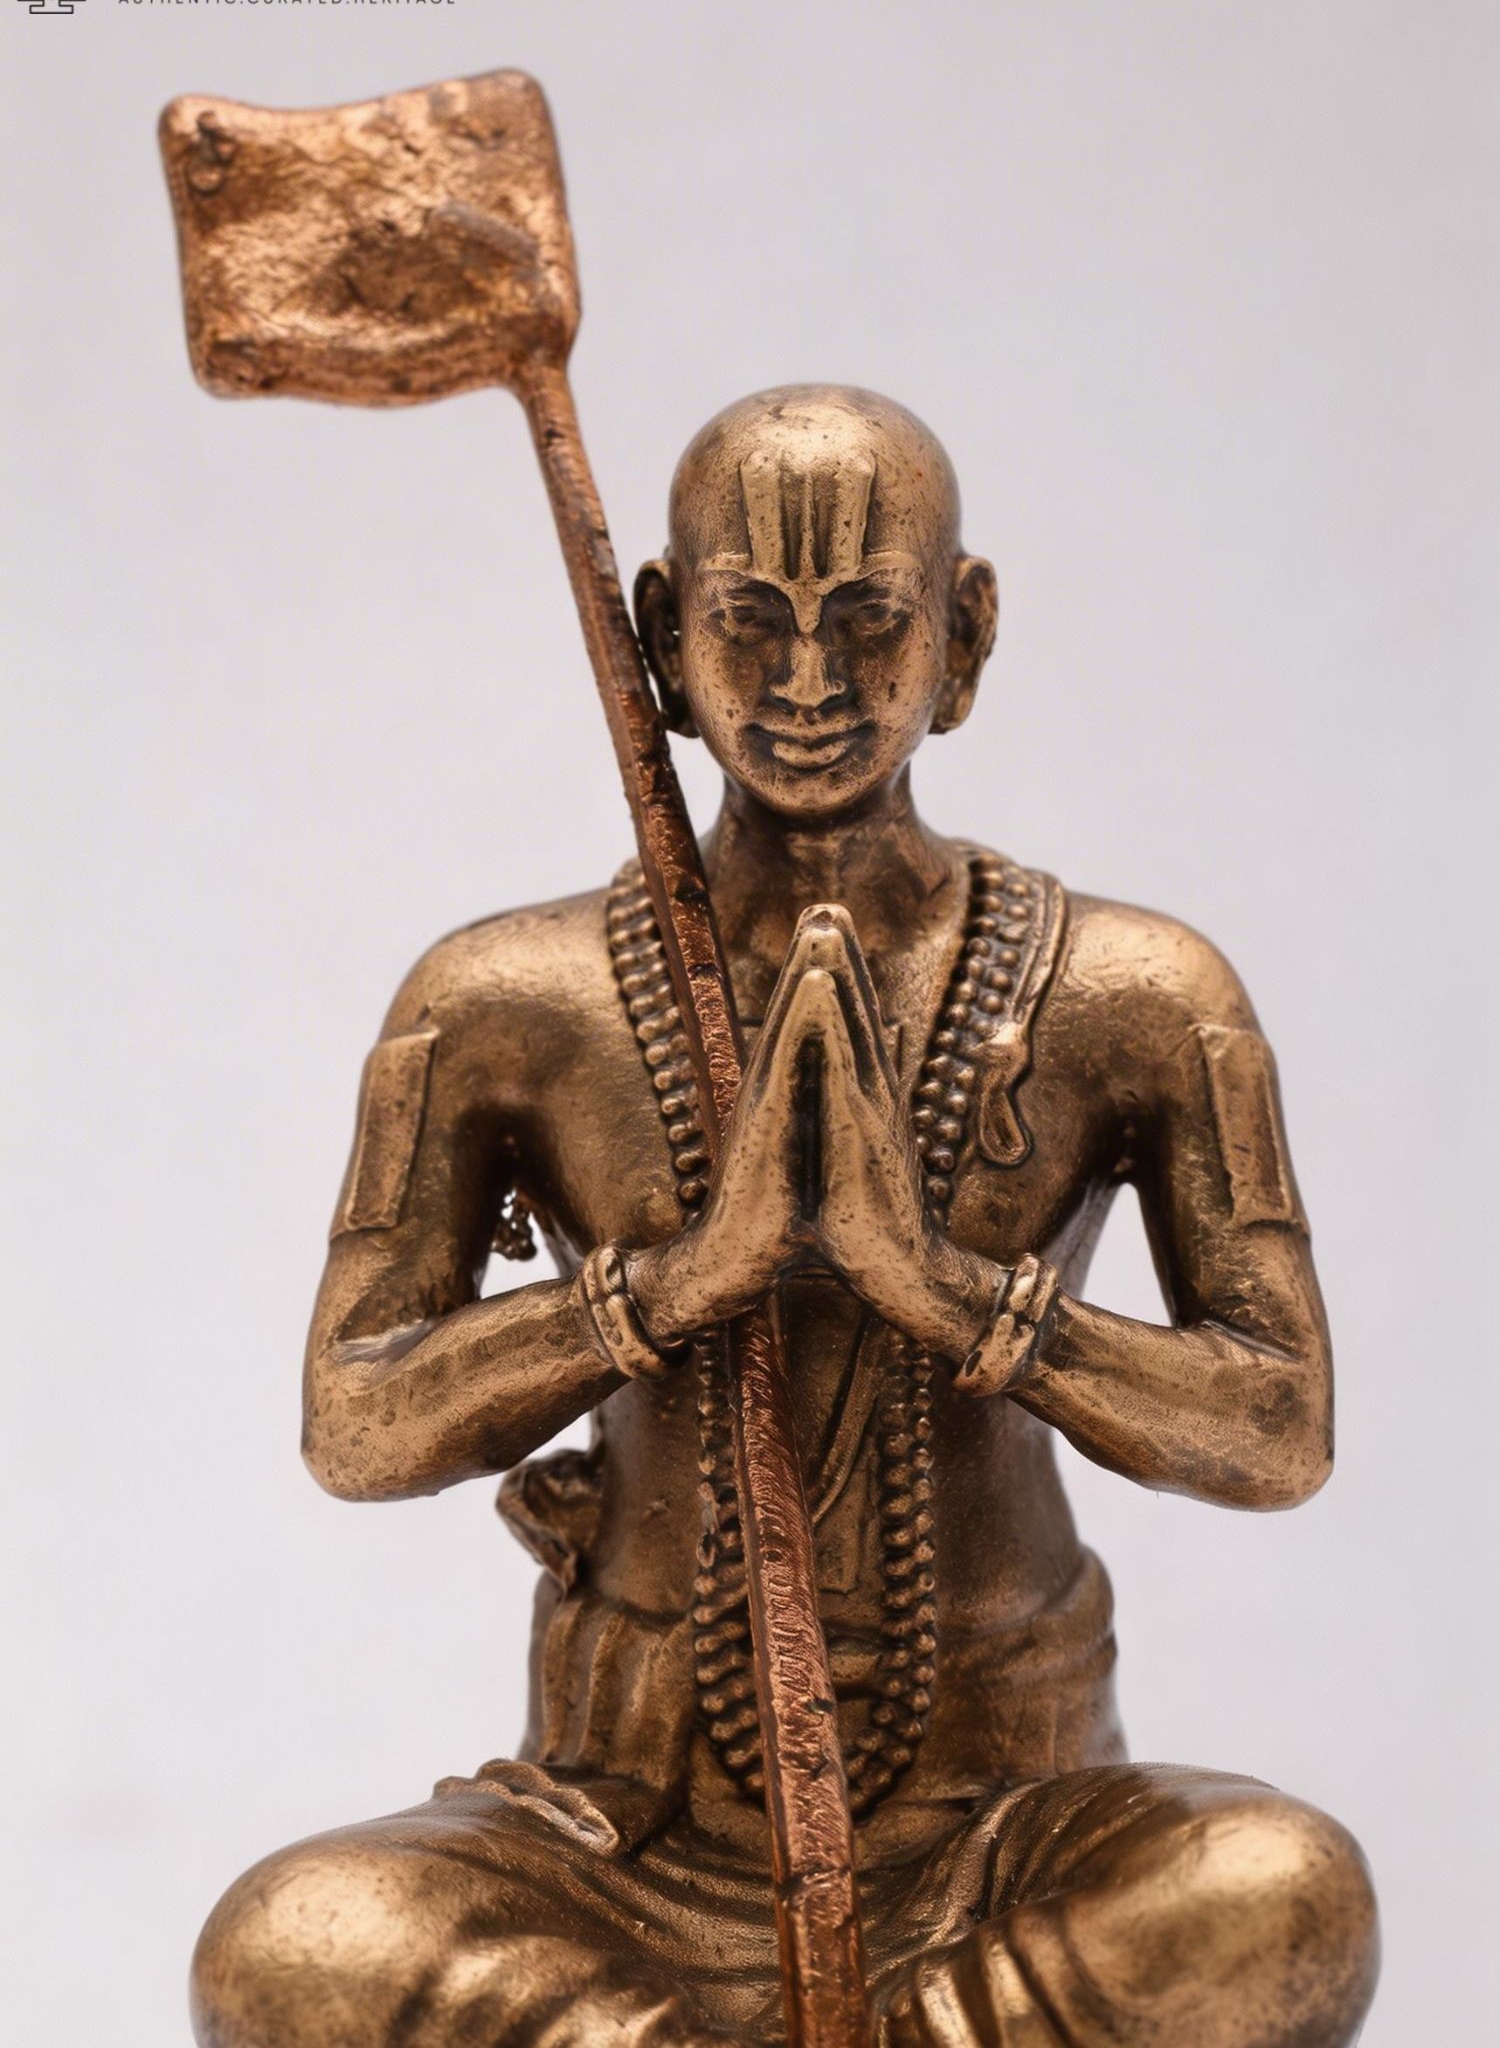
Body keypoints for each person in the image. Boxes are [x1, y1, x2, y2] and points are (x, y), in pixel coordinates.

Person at [192, 386, 1379, 2048]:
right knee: (289, 1943)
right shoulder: (500, 1001)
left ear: (966, 638)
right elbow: (357, 1422)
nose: (807, 685)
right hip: (621, 1830)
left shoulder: (1141, 994)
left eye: (869, 621)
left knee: (1282, 1890)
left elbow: (1279, 1427)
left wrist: (942, 1290)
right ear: (661, 639)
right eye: (750, 622)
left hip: (1003, 1820)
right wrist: (678, 1283)